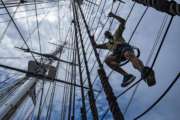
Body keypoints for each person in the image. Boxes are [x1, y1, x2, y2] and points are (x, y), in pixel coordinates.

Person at [92, 12, 155, 87]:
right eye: (106, 34)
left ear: (110, 33)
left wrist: (113, 15)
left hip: (124, 47)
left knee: (128, 54)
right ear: (106, 37)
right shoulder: (107, 45)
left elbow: (123, 21)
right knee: (107, 60)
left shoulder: (117, 34)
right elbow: (96, 46)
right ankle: (126, 76)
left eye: (108, 33)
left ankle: (143, 71)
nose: (107, 34)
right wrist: (92, 39)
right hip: (117, 54)